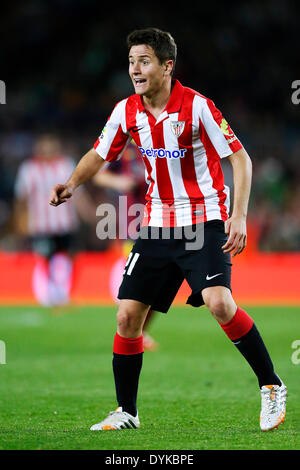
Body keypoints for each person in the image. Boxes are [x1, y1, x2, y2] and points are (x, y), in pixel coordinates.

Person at [50, 28, 287, 432]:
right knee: (127, 317)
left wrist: (240, 216)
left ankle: (271, 385)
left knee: (219, 303)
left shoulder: (197, 107)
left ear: (166, 66)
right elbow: (99, 152)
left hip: (205, 217)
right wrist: (72, 184)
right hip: (158, 223)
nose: (135, 70)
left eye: (144, 61)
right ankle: (127, 411)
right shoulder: (127, 111)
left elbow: (241, 159)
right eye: (130, 62)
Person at [14, 133, 95, 307]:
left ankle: (65, 293)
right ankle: (50, 295)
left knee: (71, 256)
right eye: (45, 146)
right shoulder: (29, 169)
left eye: (52, 146)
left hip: (66, 223)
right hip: (41, 225)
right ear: (38, 148)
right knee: (46, 258)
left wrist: (89, 213)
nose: (48, 150)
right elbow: (21, 199)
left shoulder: (65, 165)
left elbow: (78, 194)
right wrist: (20, 222)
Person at [92, 141, 158, 351]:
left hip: (166, 222)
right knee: (141, 280)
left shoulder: (163, 142)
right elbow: (99, 174)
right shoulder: (124, 148)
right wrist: (120, 182)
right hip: (134, 223)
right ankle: (131, 330)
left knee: (159, 285)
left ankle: (138, 330)